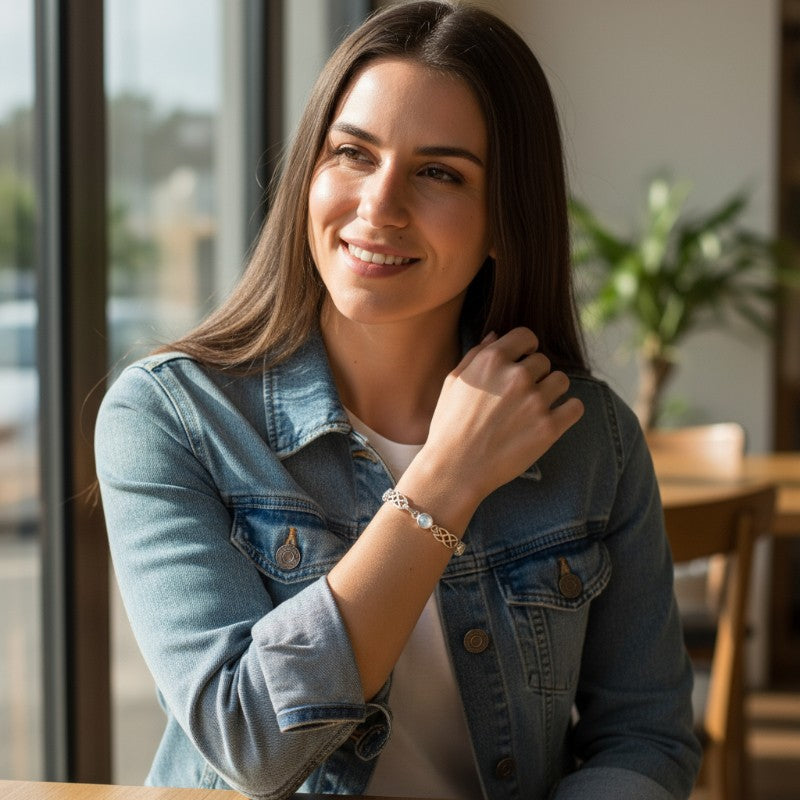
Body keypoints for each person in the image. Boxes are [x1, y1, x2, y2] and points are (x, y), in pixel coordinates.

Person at [95, 2, 701, 798]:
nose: (379, 205)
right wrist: (446, 478)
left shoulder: (593, 439)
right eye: (353, 153)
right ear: (309, 176)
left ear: (504, 220)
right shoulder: (172, 418)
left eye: (439, 172)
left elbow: (646, 737)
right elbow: (250, 744)